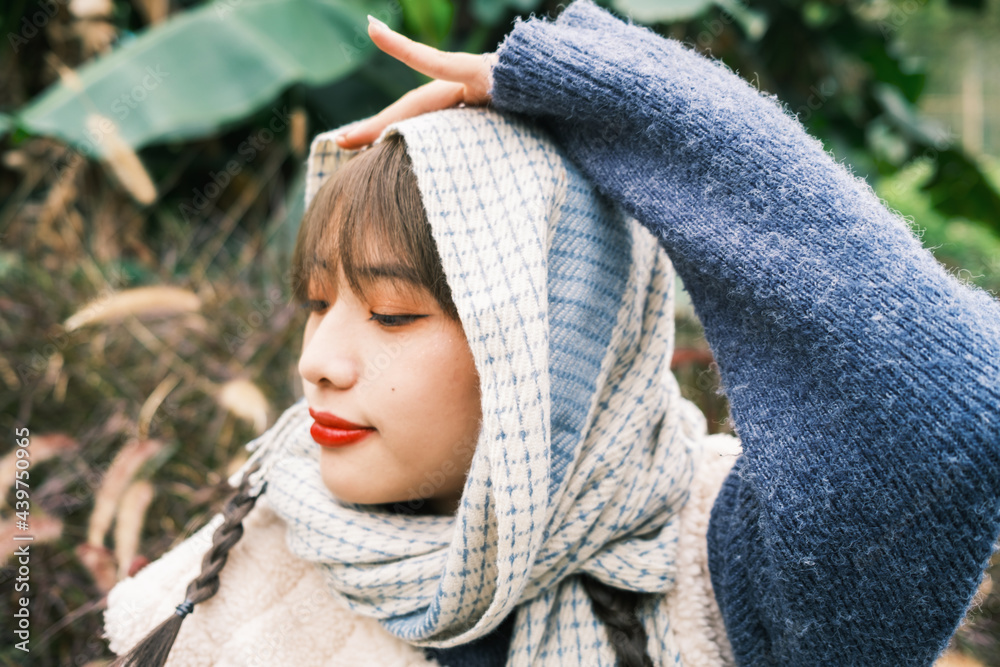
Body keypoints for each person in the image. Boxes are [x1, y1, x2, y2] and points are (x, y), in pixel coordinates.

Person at [103, 1, 1000, 665]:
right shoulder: (238, 587)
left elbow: (942, 407)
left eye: (391, 313)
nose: (318, 363)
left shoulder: (726, 574)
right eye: (315, 301)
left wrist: (596, 91)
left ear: (549, 341)